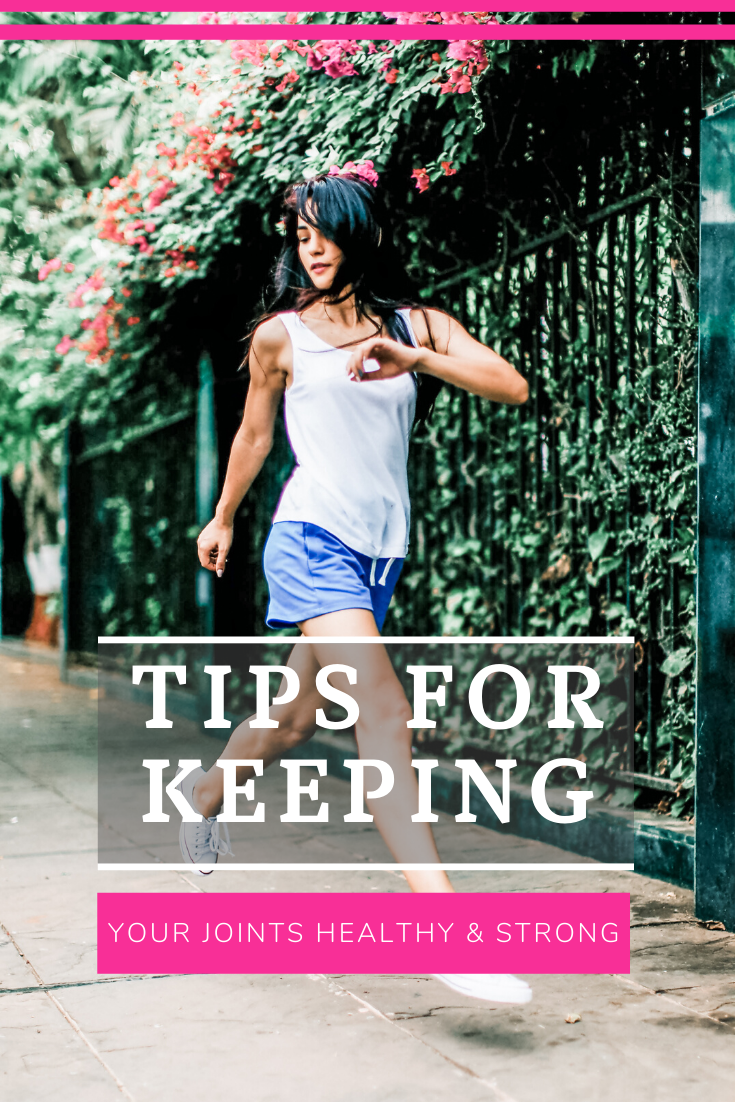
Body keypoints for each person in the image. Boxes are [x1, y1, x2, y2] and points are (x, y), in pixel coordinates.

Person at [182, 160, 531, 1005]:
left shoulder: (418, 324)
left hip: (379, 556)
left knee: (297, 718)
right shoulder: (281, 336)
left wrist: (414, 355)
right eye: (299, 236)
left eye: (324, 230)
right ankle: (445, 930)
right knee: (384, 710)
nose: (311, 249)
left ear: (359, 229)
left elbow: (512, 387)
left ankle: (204, 791)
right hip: (310, 540)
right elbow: (255, 437)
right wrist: (224, 515)